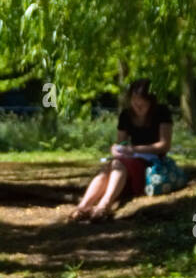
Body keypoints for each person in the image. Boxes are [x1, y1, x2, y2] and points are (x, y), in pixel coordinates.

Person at [69, 79, 173, 221]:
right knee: (107, 168)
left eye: (142, 100)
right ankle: (83, 207)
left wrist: (133, 149)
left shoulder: (162, 112)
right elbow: (121, 142)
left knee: (117, 165)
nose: (138, 104)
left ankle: (104, 206)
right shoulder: (126, 115)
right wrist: (116, 149)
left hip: (153, 162)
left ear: (151, 101)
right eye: (134, 99)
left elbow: (164, 145)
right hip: (130, 159)